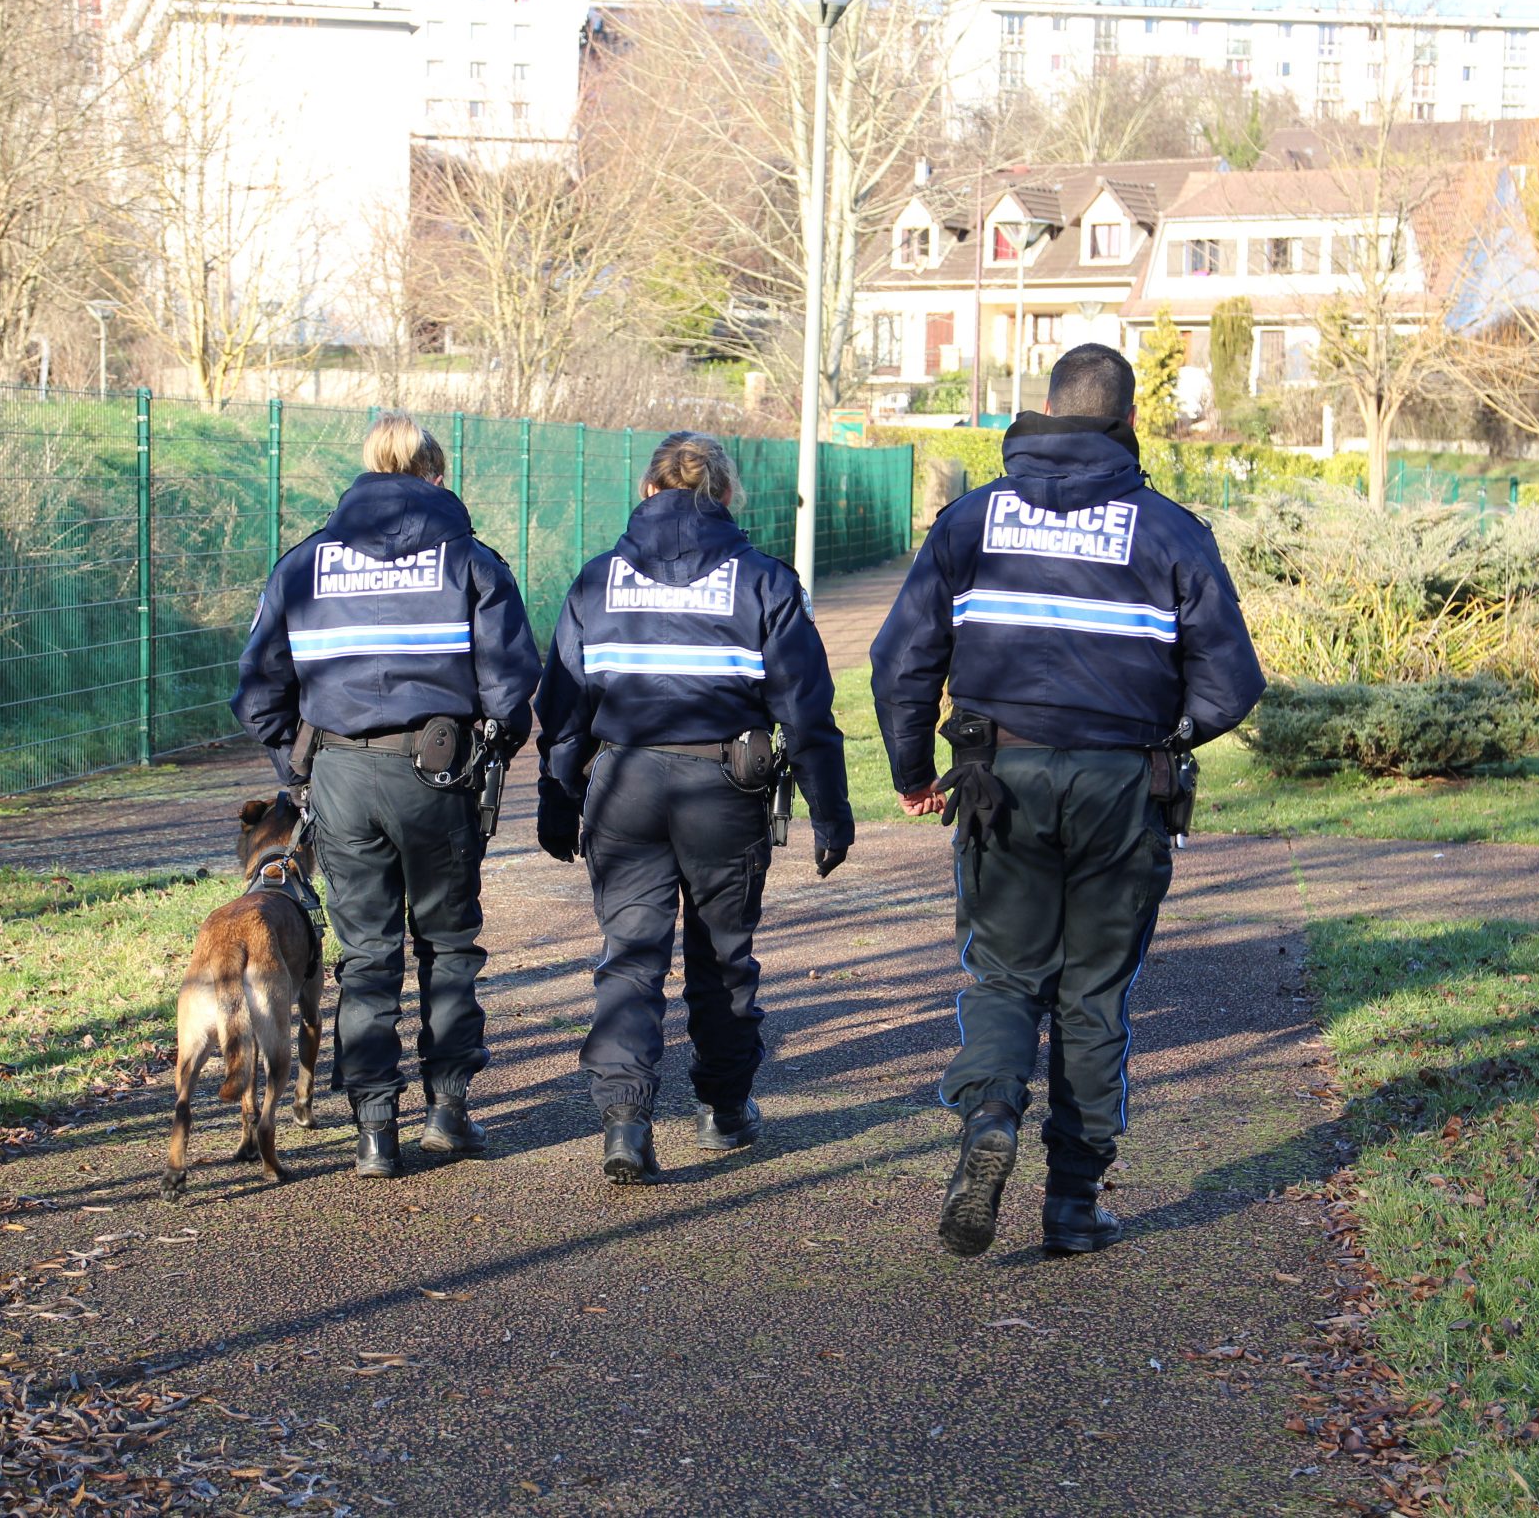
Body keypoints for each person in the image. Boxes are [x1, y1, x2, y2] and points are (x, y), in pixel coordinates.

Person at [869, 344, 1265, 1257]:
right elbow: (1232, 684)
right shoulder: (1169, 531)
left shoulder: (970, 522)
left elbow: (901, 661)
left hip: (997, 778)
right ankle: (1075, 1205)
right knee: (1093, 996)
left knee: (1005, 977)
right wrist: (1171, 739)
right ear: (1129, 424)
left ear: (1043, 411)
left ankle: (990, 1121)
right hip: (1122, 786)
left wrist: (910, 772)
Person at [535, 432, 853, 1185]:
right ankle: (723, 1109)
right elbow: (806, 711)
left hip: (623, 786)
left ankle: (625, 1123)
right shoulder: (764, 581)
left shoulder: (596, 581)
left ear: (648, 491)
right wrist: (829, 811)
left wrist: (558, 794)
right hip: (724, 788)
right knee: (720, 959)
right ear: (725, 496)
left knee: (630, 961)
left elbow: (564, 706)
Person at [231, 413, 540, 1179]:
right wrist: (495, 739)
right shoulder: (469, 559)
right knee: (447, 945)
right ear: (436, 476)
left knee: (367, 955)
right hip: (436, 774)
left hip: (337, 775)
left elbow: (257, 688)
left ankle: (374, 1131)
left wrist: (296, 764)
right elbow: (511, 681)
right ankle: (447, 1110)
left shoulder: (304, 564)